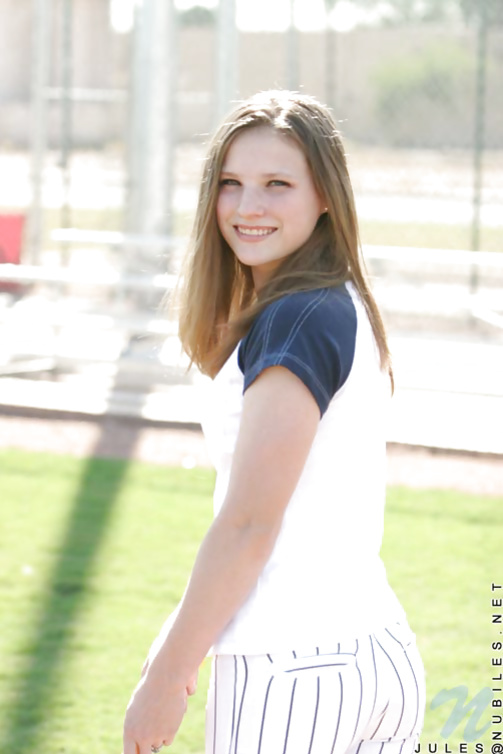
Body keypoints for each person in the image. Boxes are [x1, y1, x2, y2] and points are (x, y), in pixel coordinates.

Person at [122, 90, 425, 754]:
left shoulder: (296, 317)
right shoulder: (336, 302)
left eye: (276, 184)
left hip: (291, 670)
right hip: (377, 654)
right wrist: (184, 630)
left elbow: (250, 524)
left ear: (325, 197)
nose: (246, 206)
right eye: (230, 183)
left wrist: (168, 676)